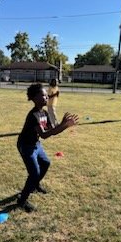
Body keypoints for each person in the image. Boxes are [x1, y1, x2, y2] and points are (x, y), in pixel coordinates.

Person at [17, 83, 79, 212]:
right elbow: (44, 135)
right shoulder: (33, 115)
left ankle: (35, 185)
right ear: (35, 98)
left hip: (36, 144)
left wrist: (64, 125)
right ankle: (22, 200)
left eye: (47, 95)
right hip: (26, 146)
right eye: (44, 95)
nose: (47, 97)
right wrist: (62, 125)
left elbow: (53, 130)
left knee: (45, 163)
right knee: (34, 173)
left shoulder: (44, 113)